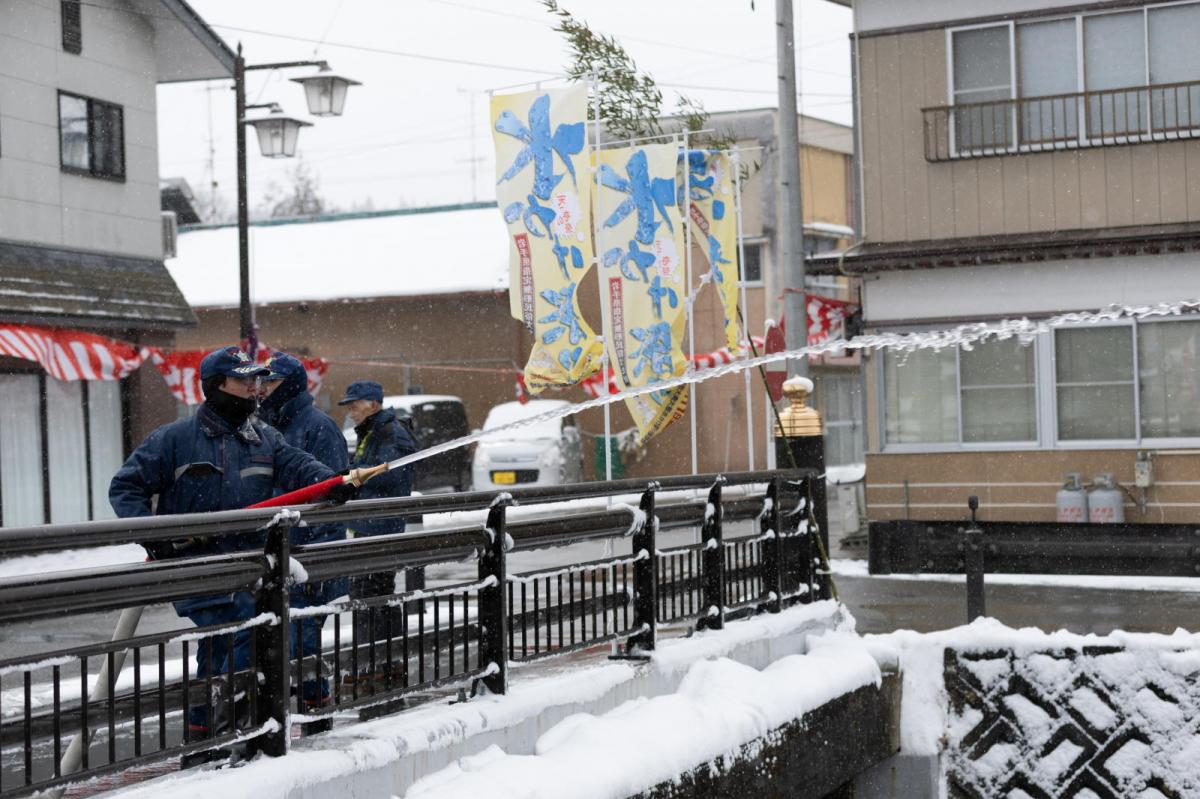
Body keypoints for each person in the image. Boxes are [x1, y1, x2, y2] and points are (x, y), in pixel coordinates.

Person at [109, 346, 353, 750]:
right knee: (244, 632)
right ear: (217, 386)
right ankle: (236, 734)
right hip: (199, 566)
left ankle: (206, 736)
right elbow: (126, 486)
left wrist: (334, 482)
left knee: (224, 646)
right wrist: (156, 536)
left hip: (250, 566)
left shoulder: (263, 438)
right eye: (244, 381)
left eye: (258, 381)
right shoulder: (176, 439)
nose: (255, 389)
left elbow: (299, 466)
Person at [258, 352, 350, 721]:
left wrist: (314, 550)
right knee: (274, 637)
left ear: (291, 384)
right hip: (272, 547)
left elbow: (333, 490)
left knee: (302, 636)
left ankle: (314, 715)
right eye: (261, 382)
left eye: (272, 382)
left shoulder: (318, 427)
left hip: (309, 550)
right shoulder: (260, 426)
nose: (263, 390)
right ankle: (278, 716)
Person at [338, 380, 417, 661]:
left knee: (372, 591)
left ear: (373, 403)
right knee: (368, 591)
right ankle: (380, 654)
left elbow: (392, 474)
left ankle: (380, 656)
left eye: (355, 404)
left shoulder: (389, 433)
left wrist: (355, 477)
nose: (350, 410)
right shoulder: (374, 431)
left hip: (381, 526)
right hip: (369, 524)